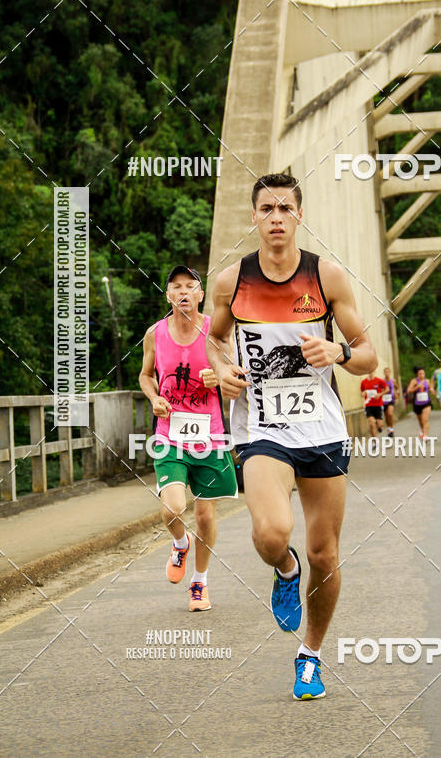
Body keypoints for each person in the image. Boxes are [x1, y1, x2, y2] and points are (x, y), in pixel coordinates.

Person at [207, 172, 377, 701]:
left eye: (285, 208)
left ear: (299, 216)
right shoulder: (231, 281)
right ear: (254, 217)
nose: (276, 217)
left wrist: (340, 354)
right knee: (271, 533)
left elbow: (370, 354)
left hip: (322, 430)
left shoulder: (327, 278)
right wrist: (224, 370)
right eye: (266, 209)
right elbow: (212, 343)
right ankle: (284, 570)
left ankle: (310, 657)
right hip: (263, 428)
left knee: (325, 555)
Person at [139, 264, 238, 612]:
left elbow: (235, 375)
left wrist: (220, 378)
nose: (183, 292)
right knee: (173, 509)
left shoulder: (216, 330)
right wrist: (154, 398)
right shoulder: (155, 334)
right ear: (168, 295)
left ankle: (199, 583)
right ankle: (180, 543)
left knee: (207, 518)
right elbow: (145, 375)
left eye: (190, 286)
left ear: (200, 294)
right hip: (170, 435)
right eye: (176, 287)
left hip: (209, 435)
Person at [406, 368, 432, 440]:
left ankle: (426, 435)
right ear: (417, 374)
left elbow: (430, 388)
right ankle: (422, 430)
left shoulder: (427, 381)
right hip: (417, 404)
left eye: (423, 373)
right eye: (420, 374)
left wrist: (432, 390)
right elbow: (408, 391)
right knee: (421, 421)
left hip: (426, 403)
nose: (422, 375)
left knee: (425, 420)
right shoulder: (414, 381)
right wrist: (417, 387)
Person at [360, 373, 386, 439]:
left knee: (379, 424)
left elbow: (387, 389)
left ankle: (379, 427)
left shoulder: (379, 380)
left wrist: (380, 394)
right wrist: (363, 393)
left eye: (372, 371)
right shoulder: (363, 382)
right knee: (371, 424)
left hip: (378, 405)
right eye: (369, 371)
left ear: (374, 371)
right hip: (368, 405)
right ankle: (375, 442)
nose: (370, 372)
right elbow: (361, 392)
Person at [381, 366, 398, 436]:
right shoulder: (382, 381)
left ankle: (391, 428)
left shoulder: (393, 381)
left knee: (390, 413)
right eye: (385, 372)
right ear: (384, 373)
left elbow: (397, 388)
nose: (387, 373)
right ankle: (389, 428)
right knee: (386, 415)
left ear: (390, 373)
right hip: (384, 400)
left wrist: (397, 393)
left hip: (391, 399)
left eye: (388, 372)